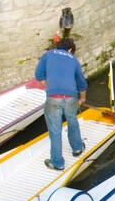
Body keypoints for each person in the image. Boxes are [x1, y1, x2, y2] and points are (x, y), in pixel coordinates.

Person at [34, 35, 87, 170]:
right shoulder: (74, 60)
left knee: (55, 130)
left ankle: (57, 163)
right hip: (70, 97)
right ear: (70, 50)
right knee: (72, 120)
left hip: (53, 97)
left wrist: (50, 87)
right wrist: (82, 99)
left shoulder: (47, 55)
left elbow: (39, 75)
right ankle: (77, 148)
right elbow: (82, 83)